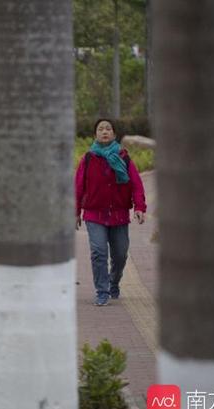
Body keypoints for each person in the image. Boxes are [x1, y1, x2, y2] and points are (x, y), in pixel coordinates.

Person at [75, 118, 147, 306]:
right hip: (94, 214)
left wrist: (139, 207)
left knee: (120, 254)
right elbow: (78, 187)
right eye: (100, 129)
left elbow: (136, 184)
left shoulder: (124, 158)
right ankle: (102, 290)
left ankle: (114, 282)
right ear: (95, 135)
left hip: (119, 215)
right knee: (98, 252)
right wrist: (75, 211)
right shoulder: (88, 159)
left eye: (108, 129)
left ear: (114, 134)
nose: (104, 131)